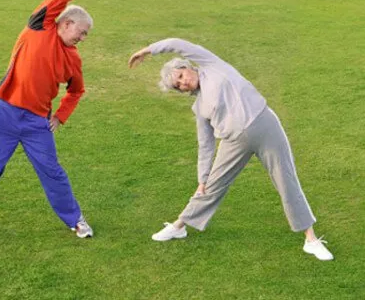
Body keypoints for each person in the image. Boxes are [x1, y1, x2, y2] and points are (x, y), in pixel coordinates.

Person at [128, 38, 334, 261]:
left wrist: (148, 50)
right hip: (233, 142)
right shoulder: (199, 108)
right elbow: (205, 145)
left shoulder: (211, 64)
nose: (183, 82)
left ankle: (311, 240)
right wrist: (202, 178)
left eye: (180, 76)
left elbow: (179, 44)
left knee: (286, 181)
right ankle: (180, 226)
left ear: (187, 66)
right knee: (211, 187)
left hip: (265, 127)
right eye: (178, 86)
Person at [0, 0, 127, 244]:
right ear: (66, 23)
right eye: (82, 32)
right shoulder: (39, 27)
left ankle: (74, 220)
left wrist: (60, 116)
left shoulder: (73, 59)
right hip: (4, 114)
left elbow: (76, 91)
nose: (83, 38)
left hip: (37, 124)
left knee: (52, 173)